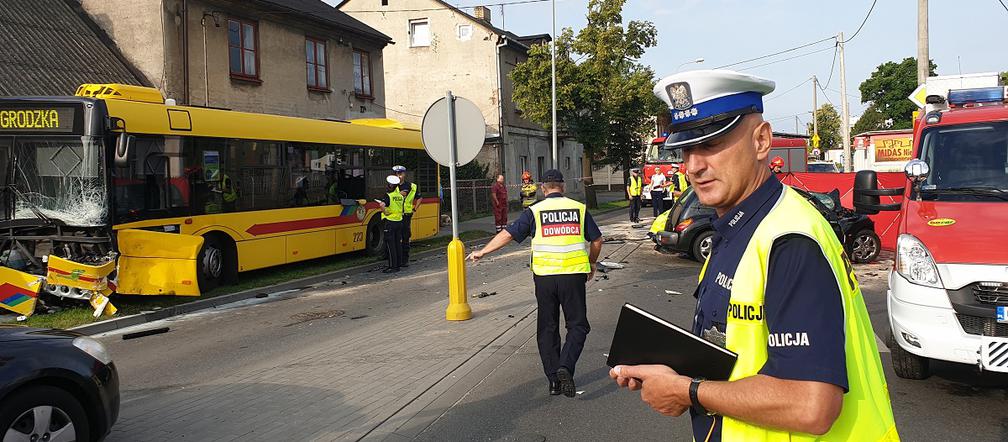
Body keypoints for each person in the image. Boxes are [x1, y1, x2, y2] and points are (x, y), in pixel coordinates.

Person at [610, 70, 898, 441]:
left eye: (711, 145)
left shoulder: (790, 240)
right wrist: (674, 373)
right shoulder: (740, 227)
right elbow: (738, 350)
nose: (693, 166)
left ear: (761, 141)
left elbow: (812, 405)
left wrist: (688, 391)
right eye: (685, 150)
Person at [467, 169, 604, 398]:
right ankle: (565, 367)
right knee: (578, 325)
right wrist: (591, 263)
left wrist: (483, 251)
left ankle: (553, 380)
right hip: (572, 276)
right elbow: (597, 240)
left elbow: (508, 235)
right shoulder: (578, 209)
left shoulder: (535, 211)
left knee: (547, 327)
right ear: (563, 187)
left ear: (543, 188)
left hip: (544, 278)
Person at [377, 175, 405, 274]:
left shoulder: (388, 195)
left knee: (390, 246)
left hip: (390, 222)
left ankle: (392, 266)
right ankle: (398, 264)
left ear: (390, 185)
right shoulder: (400, 196)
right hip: (399, 222)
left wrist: (385, 212)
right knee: (398, 244)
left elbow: (382, 205)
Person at [394, 165, 420, 267]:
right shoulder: (392, 186)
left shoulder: (410, 186)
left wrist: (414, 209)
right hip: (395, 216)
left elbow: (419, 198)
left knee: (405, 237)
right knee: (395, 238)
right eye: (396, 174)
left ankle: (405, 260)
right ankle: (396, 259)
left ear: (404, 174)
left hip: (406, 216)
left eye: (400, 173)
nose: (398, 175)